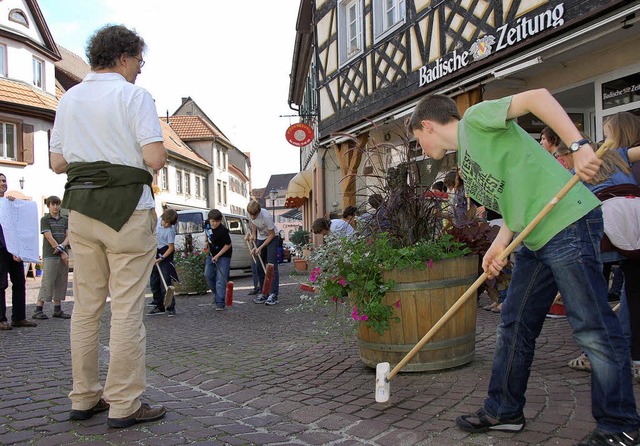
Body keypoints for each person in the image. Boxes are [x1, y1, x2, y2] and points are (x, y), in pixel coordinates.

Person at [408, 89, 640, 446]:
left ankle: (620, 425)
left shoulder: (476, 119)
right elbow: (518, 197)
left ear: (427, 125)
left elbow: (537, 97)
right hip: (535, 236)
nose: (420, 149)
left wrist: (578, 146)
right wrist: (498, 248)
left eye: (417, 140)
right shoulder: (468, 160)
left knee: (593, 327)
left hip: (567, 224)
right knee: (514, 323)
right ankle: (504, 410)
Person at [49, 25, 168, 428]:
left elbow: (57, 163)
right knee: (127, 309)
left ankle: (83, 397)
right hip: (127, 210)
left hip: (81, 211)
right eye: (139, 60)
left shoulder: (68, 100)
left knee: (85, 308)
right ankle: (124, 403)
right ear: (123, 56)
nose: (140, 69)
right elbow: (154, 158)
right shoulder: (133, 96)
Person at [0, 173, 38, 331]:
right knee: (1, 284)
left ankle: (19, 317)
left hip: (15, 250)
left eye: (4, 180)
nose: (3, 183)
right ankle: (1, 319)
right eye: (1, 181)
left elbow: (18, 226)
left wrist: (15, 206)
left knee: (20, 283)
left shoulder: (9, 203)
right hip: (2, 250)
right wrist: (10, 247)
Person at [33, 196, 71, 320]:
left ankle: (57, 309)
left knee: (61, 281)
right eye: (53, 204)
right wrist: (60, 250)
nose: (55, 207)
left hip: (63, 254)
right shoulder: (45, 220)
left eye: (57, 204)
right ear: (48, 206)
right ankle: (38, 309)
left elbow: (68, 235)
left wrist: (63, 246)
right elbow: (49, 237)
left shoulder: (65, 219)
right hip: (50, 254)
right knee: (48, 281)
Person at [246, 201, 279, 305]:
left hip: (272, 238)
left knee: (271, 266)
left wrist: (260, 247)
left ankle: (273, 294)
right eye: (250, 214)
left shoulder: (266, 216)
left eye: (254, 215)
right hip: (261, 237)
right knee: (259, 266)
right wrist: (253, 235)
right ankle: (263, 292)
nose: (252, 216)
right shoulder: (251, 214)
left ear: (258, 212)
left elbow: (272, 235)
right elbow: (253, 223)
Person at [147, 208, 178, 317]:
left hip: (165, 253)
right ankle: (159, 305)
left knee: (165, 281)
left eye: (168, 224)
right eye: (165, 222)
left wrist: (161, 258)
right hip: (155, 250)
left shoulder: (170, 230)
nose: (165, 225)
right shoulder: (158, 221)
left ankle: (170, 307)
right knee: (154, 281)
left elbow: (171, 248)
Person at [203, 209, 232, 311]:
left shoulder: (223, 231)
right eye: (212, 221)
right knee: (208, 274)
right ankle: (217, 294)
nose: (214, 224)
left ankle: (220, 302)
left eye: (217, 222)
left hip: (224, 255)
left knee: (221, 278)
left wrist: (218, 256)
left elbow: (228, 245)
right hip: (212, 253)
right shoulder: (206, 224)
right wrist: (206, 241)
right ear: (209, 220)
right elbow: (206, 232)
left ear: (220, 221)